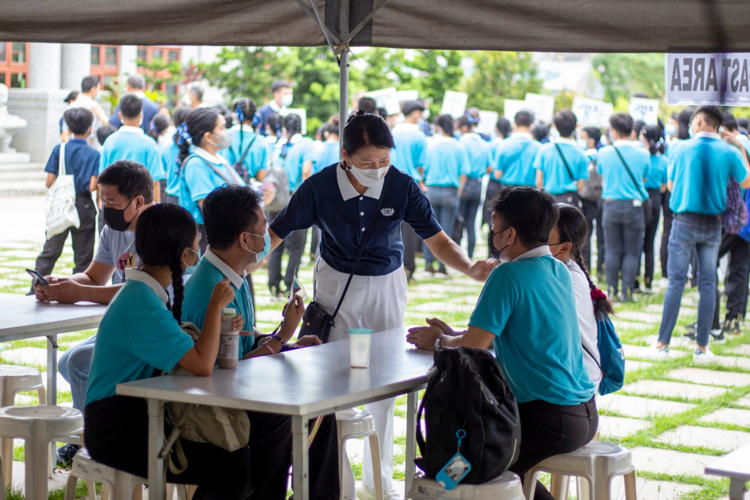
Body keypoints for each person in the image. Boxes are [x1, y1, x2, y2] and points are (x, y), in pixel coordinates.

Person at [267, 111, 496, 500]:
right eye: (367, 162)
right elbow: (276, 232)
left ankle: (380, 480)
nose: (377, 169)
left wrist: (470, 268)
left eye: (384, 161)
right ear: (345, 156)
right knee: (331, 377)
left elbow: (437, 240)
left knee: (387, 378)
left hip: (387, 283)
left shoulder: (402, 187)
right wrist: (239, 265)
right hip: (337, 282)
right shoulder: (319, 186)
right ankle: (337, 483)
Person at [406, 186, 597, 500]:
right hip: (582, 412)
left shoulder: (508, 275)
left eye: (493, 228)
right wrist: (453, 338)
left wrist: (440, 341)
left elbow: (474, 346)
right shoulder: (558, 269)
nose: (491, 235)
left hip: (546, 419)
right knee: (498, 471)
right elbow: (505, 335)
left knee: (454, 474)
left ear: (509, 235)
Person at [83, 203, 254, 499]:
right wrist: (214, 308)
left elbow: (191, 356)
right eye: (196, 245)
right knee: (232, 469)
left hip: (141, 414)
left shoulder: (143, 293)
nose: (198, 252)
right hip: (117, 429)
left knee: (239, 459)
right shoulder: (142, 304)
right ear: (185, 255)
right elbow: (201, 364)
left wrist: (221, 325)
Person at [181, 185, 338, 499]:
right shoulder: (211, 289)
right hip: (211, 408)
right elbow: (221, 370)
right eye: (264, 227)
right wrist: (281, 339)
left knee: (322, 408)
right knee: (284, 416)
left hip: (235, 392)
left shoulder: (231, 275)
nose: (269, 234)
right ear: (244, 240)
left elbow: (240, 346)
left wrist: (285, 342)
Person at [33, 160, 156, 463]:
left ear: (138, 201)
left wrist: (79, 293)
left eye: (111, 202)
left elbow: (146, 290)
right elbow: (94, 277)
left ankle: (94, 439)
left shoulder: (160, 230)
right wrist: (62, 282)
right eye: (102, 200)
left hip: (152, 333)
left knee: (77, 363)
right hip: (123, 329)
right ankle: (103, 430)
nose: (104, 208)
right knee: (65, 363)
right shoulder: (115, 229)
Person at [652, 105, 750, 362]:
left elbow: (671, 187)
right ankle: (702, 348)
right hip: (713, 224)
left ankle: (663, 345)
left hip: (684, 221)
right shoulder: (729, 151)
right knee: (709, 284)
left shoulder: (679, 148)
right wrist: (739, 146)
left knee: (676, 282)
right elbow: (746, 181)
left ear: (697, 121)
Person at [32, 108, 99, 289]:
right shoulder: (94, 154)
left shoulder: (59, 149)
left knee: (51, 251)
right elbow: (93, 186)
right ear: (89, 128)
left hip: (61, 203)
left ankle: (36, 288)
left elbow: (49, 181)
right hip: (83, 205)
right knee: (83, 256)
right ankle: (79, 290)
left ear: (68, 128)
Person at [548, 203, 610, 389]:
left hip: (575, 385)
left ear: (564, 247)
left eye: (543, 236)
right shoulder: (564, 271)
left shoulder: (565, 278)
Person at [597, 113, 650, 303]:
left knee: (611, 249)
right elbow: (644, 178)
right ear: (632, 131)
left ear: (613, 131)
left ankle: (611, 289)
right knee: (632, 251)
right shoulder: (643, 153)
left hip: (610, 205)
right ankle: (626, 291)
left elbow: (602, 175)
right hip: (634, 206)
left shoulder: (603, 153)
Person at [178, 107, 245, 253]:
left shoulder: (220, 159)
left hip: (228, 237)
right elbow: (209, 208)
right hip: (209, 243)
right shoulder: (196, 164)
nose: (226, 132)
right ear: (208, 136)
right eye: (222, 128)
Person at [267, 113, 315, 296]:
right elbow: (306, 172)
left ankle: (273, 283)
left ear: (284, 128)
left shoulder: (277, 145)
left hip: (276, 199)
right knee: (296, 245)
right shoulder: (306, 144)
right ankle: (289, 284)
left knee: (275, 239)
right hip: (295, 199)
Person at [422, 114, 470, 275]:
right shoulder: (459, 147)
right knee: (446, 230)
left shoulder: (431, 145)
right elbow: (463, 173)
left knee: (428, 229)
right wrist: (459, 192)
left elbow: (424, 167)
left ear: (439, 127)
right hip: (450, 191)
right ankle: (443, 266)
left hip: (432, 190)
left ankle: (428, 264)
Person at [99, 93, 164, 202]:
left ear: (120, 116)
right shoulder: (149, 144)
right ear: (141, 115)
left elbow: (102, 178)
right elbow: (155, 181)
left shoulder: (110, 141)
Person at [392, 101, 428, 280]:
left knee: (392, 225)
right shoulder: (419, 136)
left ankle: (393, 264)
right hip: (412, 184)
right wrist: (422, 181)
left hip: (391, 183)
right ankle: (408, 267)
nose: (422, 117)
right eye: (420, 113)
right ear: (414, 114)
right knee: (410, 228)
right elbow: (421, 165)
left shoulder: (392, 132)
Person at [534, 109, 588, 207]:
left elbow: (539, 182)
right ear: (575, 127)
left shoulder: (544, 150)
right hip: (569, 202)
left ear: (554, 126)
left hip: (548, 200)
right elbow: (580, 187)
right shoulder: (581, 154)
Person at [457, 114, 491, 258]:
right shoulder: (484, 143)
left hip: (463, 185)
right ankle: (470, 256)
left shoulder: (460, 143)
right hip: (477, 185)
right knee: (471, 223)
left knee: (459, 221)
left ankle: (456, 256)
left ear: (464, 128)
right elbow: (490, 168)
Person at [640, 125, 668, 292]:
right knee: (649, 242)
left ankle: (634, 281)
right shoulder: (664, 160)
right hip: (656, 198)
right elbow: (664, 187)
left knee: (636, 243)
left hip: (640, 198)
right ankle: (648, 281)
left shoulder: (640, 157)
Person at [577, 126, 605, 278]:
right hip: (602, 197)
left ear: (591, 140)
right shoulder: (604, 154)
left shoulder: (582, 156)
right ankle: (602, 269)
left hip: (585, 197)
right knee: (602, 236)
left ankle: (585, 268)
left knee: (585, 235)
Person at [221, 97, 269, 183]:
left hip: (224, 189)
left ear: (234, 115)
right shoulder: (261, 141)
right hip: (248, 193)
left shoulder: (222, 136)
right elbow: (261, 177)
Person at [61, 76, 109, 147]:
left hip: (71, 151)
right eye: (98, 89)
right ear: (93, 89)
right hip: (90, 151)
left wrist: (71, 149)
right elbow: (93, 132)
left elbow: (65, 133)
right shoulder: (95, 107)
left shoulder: (70, 106)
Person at [483, 117, 512, 230]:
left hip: (493, 183)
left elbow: (489, 166)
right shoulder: (509, 144)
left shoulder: (492, 145)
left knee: (491, 213)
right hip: (507, 184)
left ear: (496, 129)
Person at [159, 106, 191, 205]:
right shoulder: (196, 147)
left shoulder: (165, 146)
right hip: (192, 198)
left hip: (172, 197)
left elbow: (163, 170)